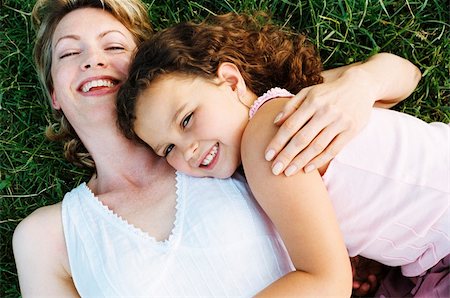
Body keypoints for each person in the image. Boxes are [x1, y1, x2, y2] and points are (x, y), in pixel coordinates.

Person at [12, 0, 419, 296]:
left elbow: (401, 75)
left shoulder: (228, 137)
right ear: (54, 94)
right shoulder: (46, 236)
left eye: (114, 47)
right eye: (69, 53)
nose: (92, 60)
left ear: (142, 69)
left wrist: (361, 85)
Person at [116, 14, 450, 297]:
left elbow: (329, 284)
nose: (186, 149)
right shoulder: (286, 106)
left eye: (187, 119)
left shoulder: (267, 136)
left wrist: (361, 83)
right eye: (168, 149)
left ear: (231, 82)